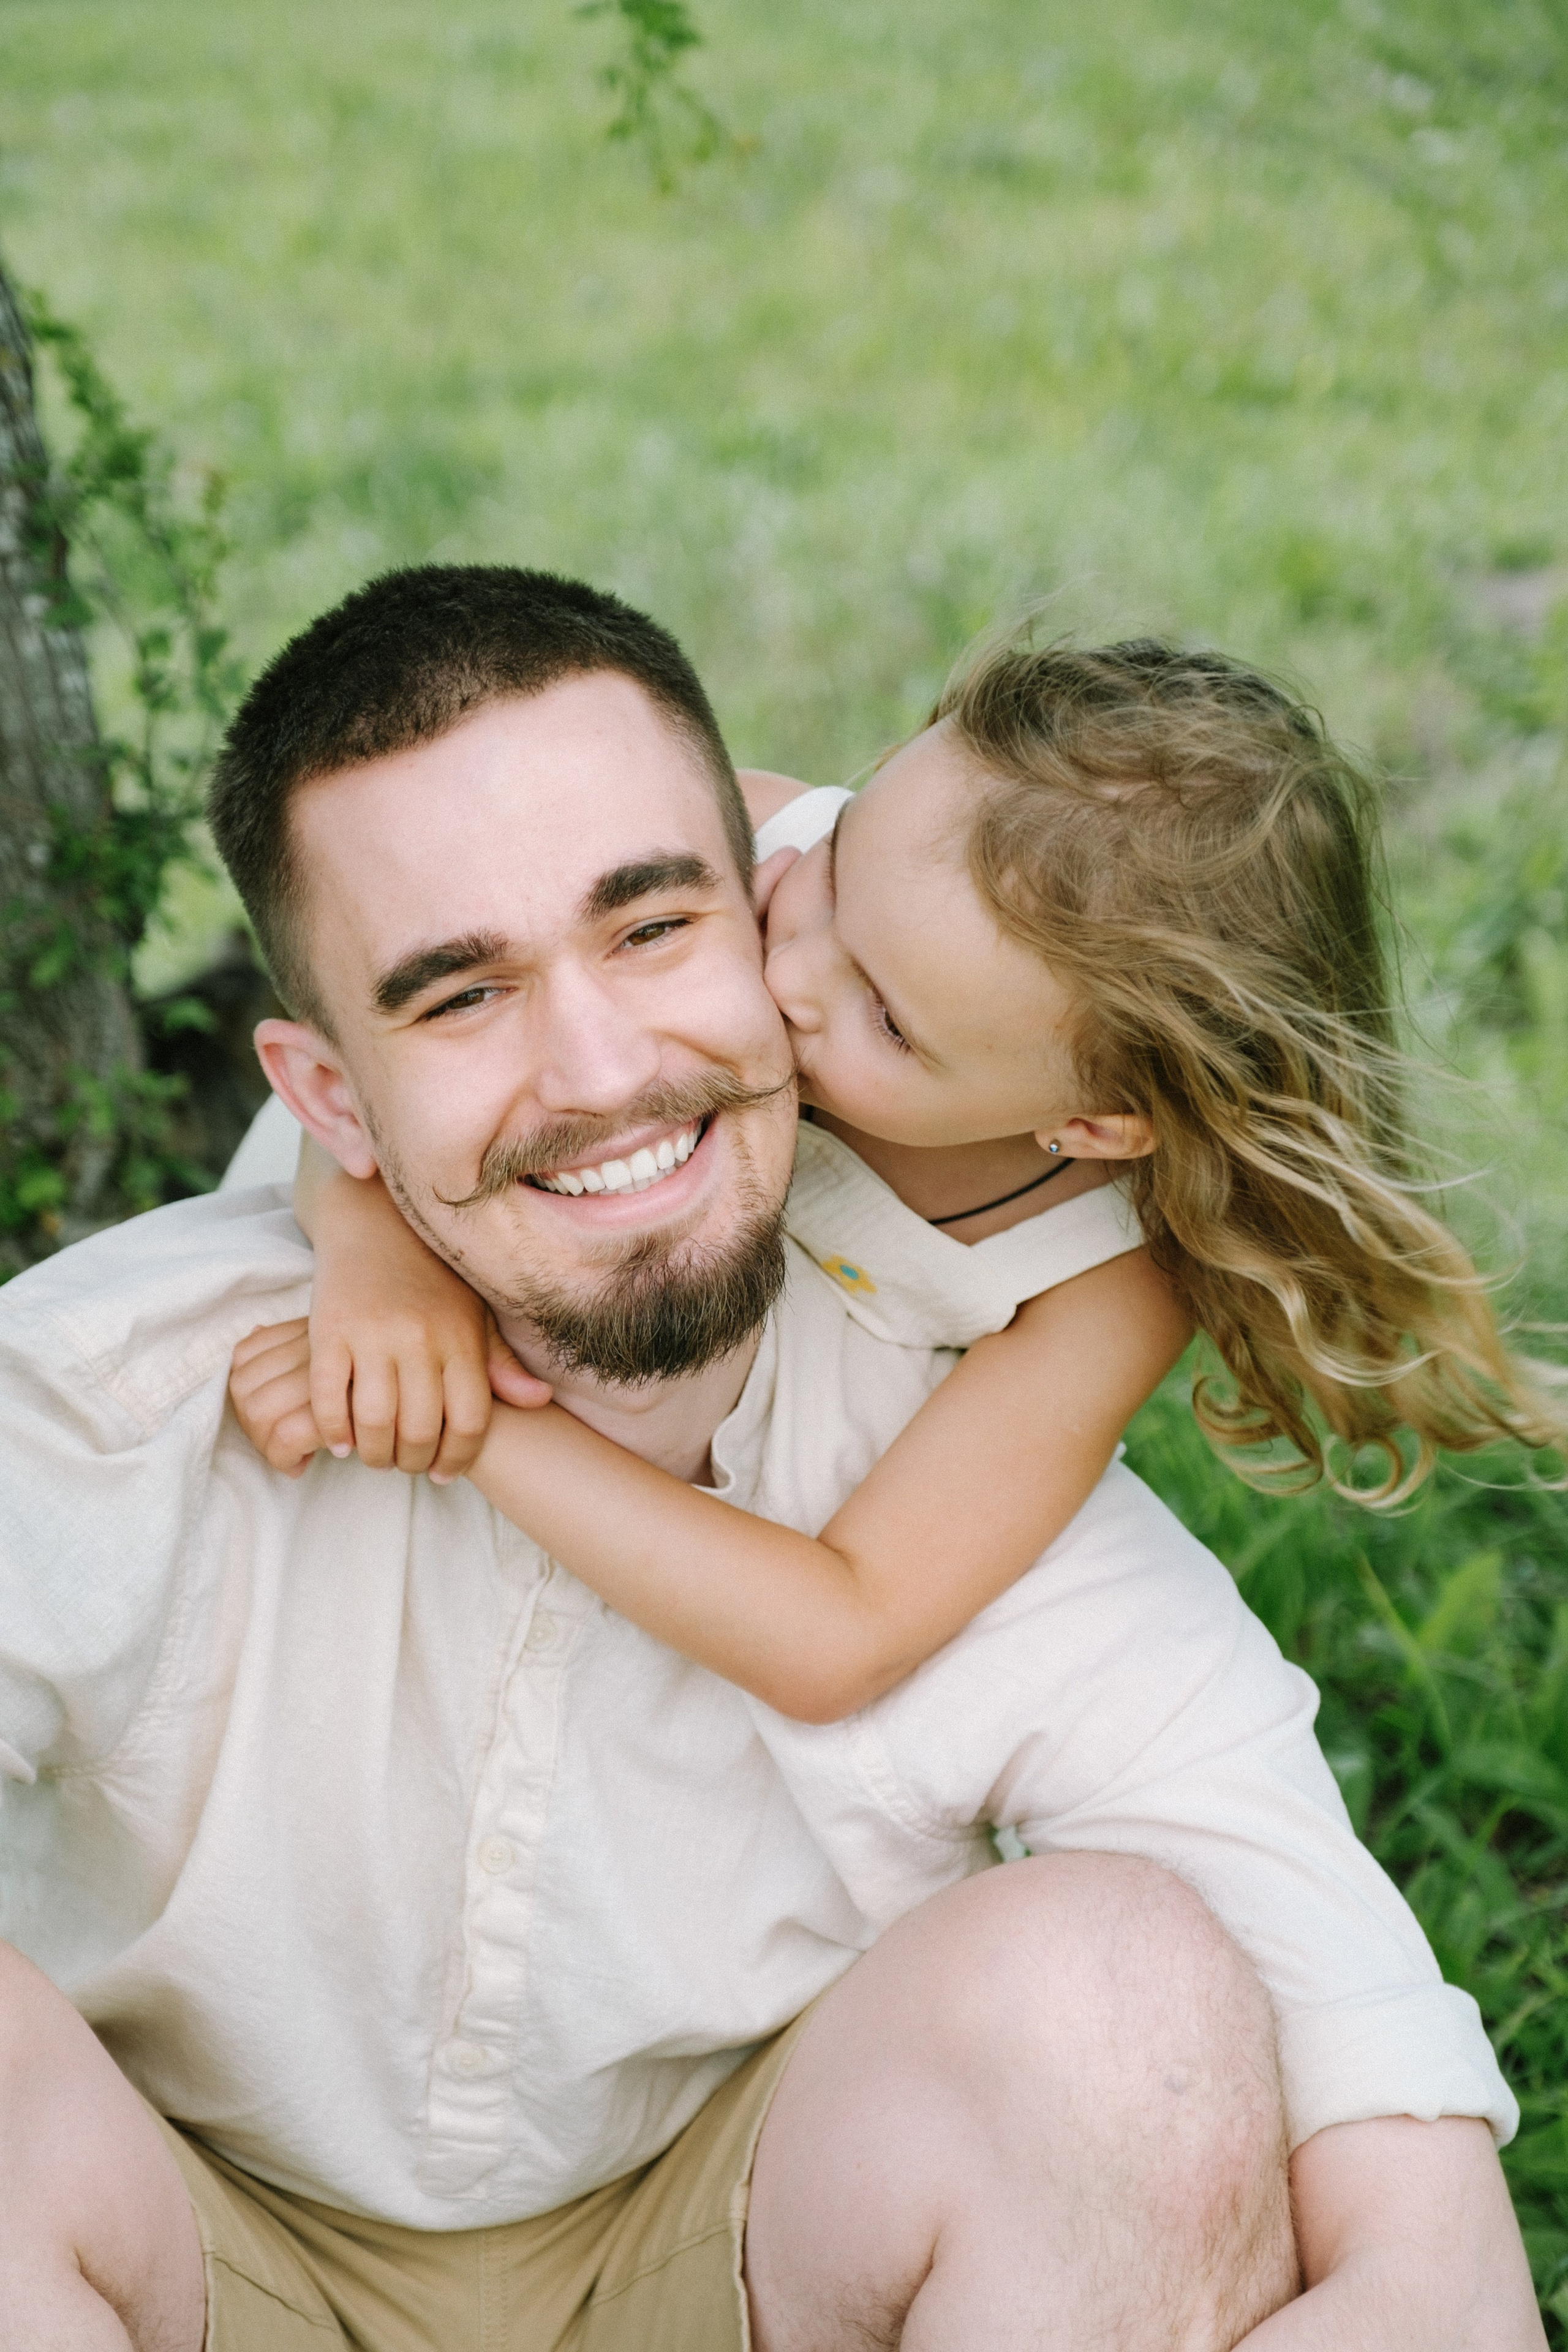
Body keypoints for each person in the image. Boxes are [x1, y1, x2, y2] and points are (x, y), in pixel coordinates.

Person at [0, 567, 1544, 2352]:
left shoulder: (1026, 1377)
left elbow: (1388, 2136)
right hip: (179, 2247)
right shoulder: (132, 1393)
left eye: (658, 930)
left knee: (1120, 1996)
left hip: (737, 2252)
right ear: (328, 1098)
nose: (611, 1059)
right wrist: (362, 1256)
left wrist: (482, 1427)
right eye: (461, 997)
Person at [227, 638, 1560, 1724]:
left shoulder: (1098, 1280)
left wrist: (484, 1430)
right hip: (418, 1214)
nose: (779, 972)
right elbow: (389, 1049)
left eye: (885, 1022)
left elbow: (842, 1631)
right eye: (837, 866)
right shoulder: (723, 857)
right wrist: (378, 1264)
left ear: (1095, 1126)